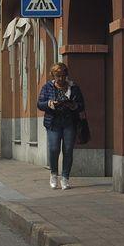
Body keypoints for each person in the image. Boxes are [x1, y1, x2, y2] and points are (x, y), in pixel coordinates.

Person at [37, 62, 86, 190]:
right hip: (53, 123)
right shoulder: (47, 87)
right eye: (58, 76)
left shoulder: (73, 87)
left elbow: (82, 105)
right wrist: (49, 103)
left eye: (63, 76)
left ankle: (65, 178)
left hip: (69, 122)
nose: (61, 79)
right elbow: (39, 104)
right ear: (53, 75)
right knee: (54, 149)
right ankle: (53, 173)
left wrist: (74, 105)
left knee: (68, 150)